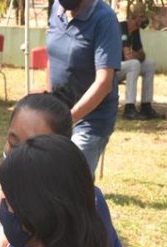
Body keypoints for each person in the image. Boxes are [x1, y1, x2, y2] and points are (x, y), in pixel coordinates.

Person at [46, 0, 122, 173]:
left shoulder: (105, 19)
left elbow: (104, 83)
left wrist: (67, 119)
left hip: (91, 119)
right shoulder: (57, 9)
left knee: (70, 178)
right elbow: (52, 58)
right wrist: (49, 105)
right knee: (48, 174)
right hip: (58, 113)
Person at [118, 13, 166, 120]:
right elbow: (128, 56)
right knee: (134, 64)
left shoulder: (135, 32)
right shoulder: (121, 27)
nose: (144, 20)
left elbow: (142, 55)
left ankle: (146, 106)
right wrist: (135, 55)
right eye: (141, 17)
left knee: (149, 64)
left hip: (123, 66)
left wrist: (135, 55)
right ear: (131, 17)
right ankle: (129, 108)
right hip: (111, 68)